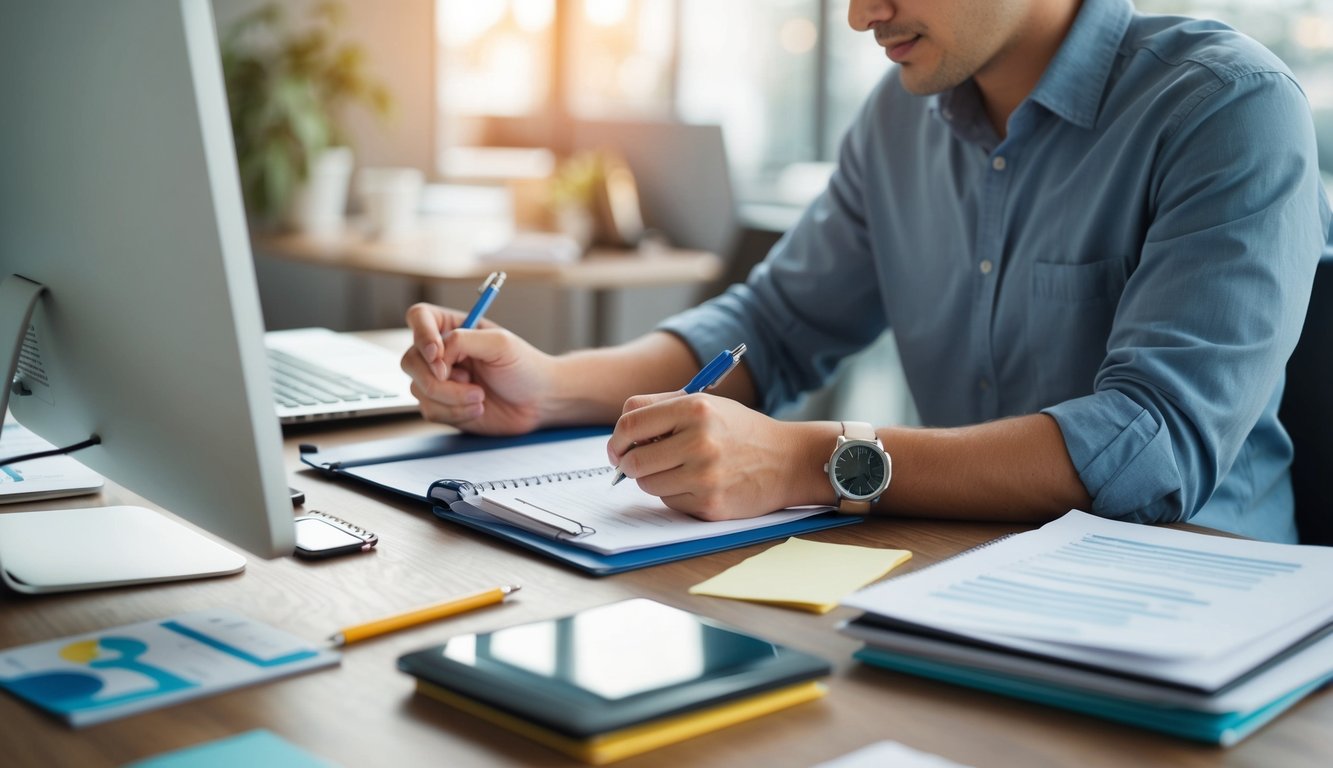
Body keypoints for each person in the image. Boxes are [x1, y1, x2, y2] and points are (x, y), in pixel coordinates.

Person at [404, 0, 1332, 543]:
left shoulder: (1226, 109)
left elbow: (1151, 443)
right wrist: (553, 388)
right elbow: (768, 329)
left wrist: (807, 458)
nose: (855, 14)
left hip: (1194, 613)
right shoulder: (898, 118)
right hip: (955, 581)